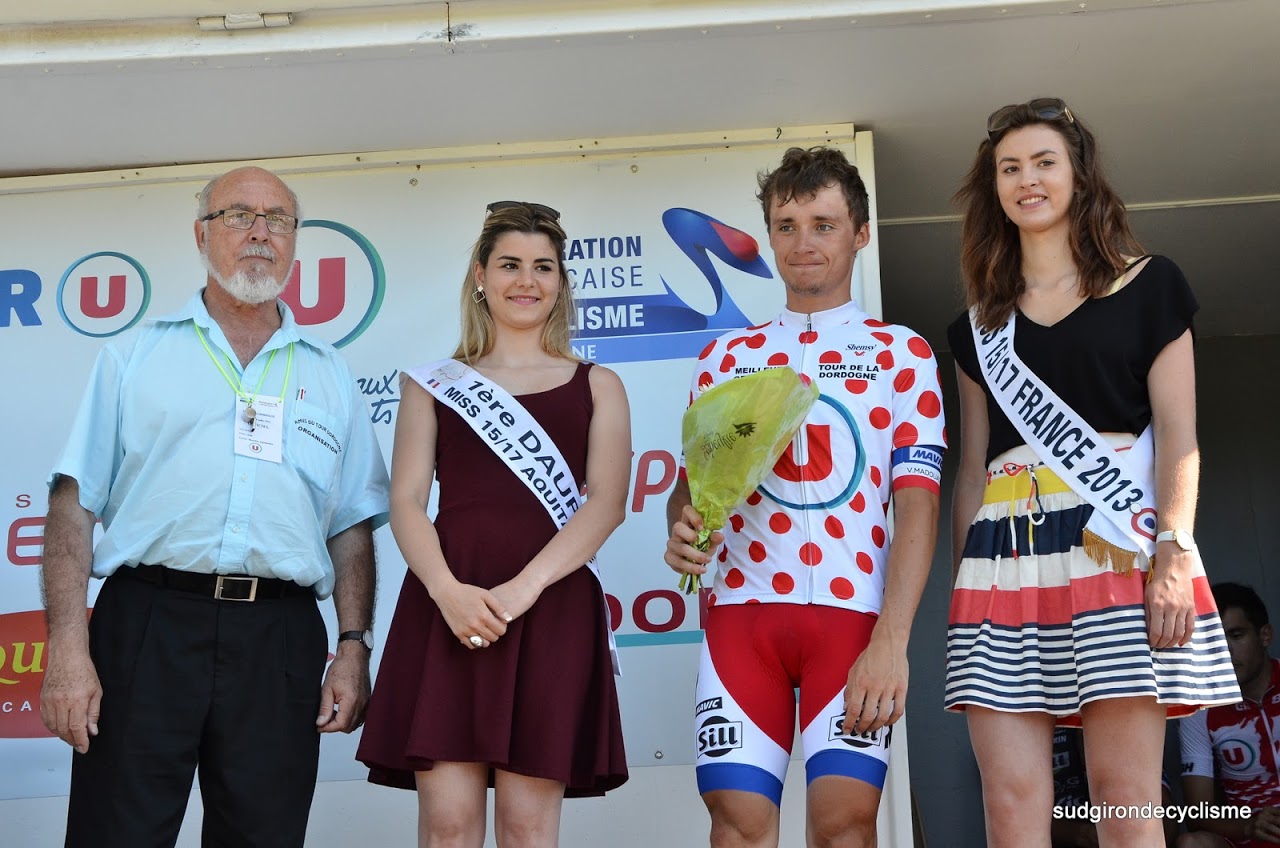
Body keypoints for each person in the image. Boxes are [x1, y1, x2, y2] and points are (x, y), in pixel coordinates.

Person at [39, 166, 391, 847]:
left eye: (279, 220)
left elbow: (351, 527)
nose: (261, 233)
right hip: (146, 627)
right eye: (239, 216)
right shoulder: (133, 355)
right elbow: (72, 507)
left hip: (280, 639)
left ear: (294, 242)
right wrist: (67, 650)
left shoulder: (330, 372)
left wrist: (352, 647)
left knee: (263, 836)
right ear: (201, 234)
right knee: (117, 834)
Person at [945, 97, 1240, 848]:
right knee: (1010, 804)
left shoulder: (1151, 286)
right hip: (1002, 563)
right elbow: (973, 466)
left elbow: (1180, 432)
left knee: (1124, 795)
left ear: (1079, 174)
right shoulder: (977, 327)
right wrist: (962, 585)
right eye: (1010, 168)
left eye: (1044, 162)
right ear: (996, 189)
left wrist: (1174, 547)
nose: (1027, 180)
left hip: (1117, 545)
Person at [664, 146, 946, 848]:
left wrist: (893, 640)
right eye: (786, 225)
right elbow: (692, 486)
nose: (803, 242)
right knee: (737, 825)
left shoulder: (900, 354)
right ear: (768, 236)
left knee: (845, 827)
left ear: (860, 233)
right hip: (741, 619)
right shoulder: (726, 358)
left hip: (853, 624)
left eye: (823, 224)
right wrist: (680, 523)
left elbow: (918, 500)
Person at [357, 200, 630, 847]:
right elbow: (406, 502)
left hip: (549, 610)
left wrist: (521, 592)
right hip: (449, 610)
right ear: (480, 274)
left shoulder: (598, 385)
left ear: (561, 281)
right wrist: (449, 593)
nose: (526, 281)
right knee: (446, 827)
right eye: (510, 264)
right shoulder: (432, 385)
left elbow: (606, 504)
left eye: (542, 267)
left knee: (527, 829)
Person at [1179, 583, 1280, 847]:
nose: (1226, 652)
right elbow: (1197, 814)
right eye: (1214, 641)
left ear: (1265, 635)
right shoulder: (1199, 708)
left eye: (1236, 635)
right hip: (1249, 837)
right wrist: (1249, 826)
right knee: (1191, 843)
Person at [1051, 726, 1178, 847]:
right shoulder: (1042, 720)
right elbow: (1032, 819)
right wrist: (1080, 833)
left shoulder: (1125, 725)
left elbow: (1167, 817)